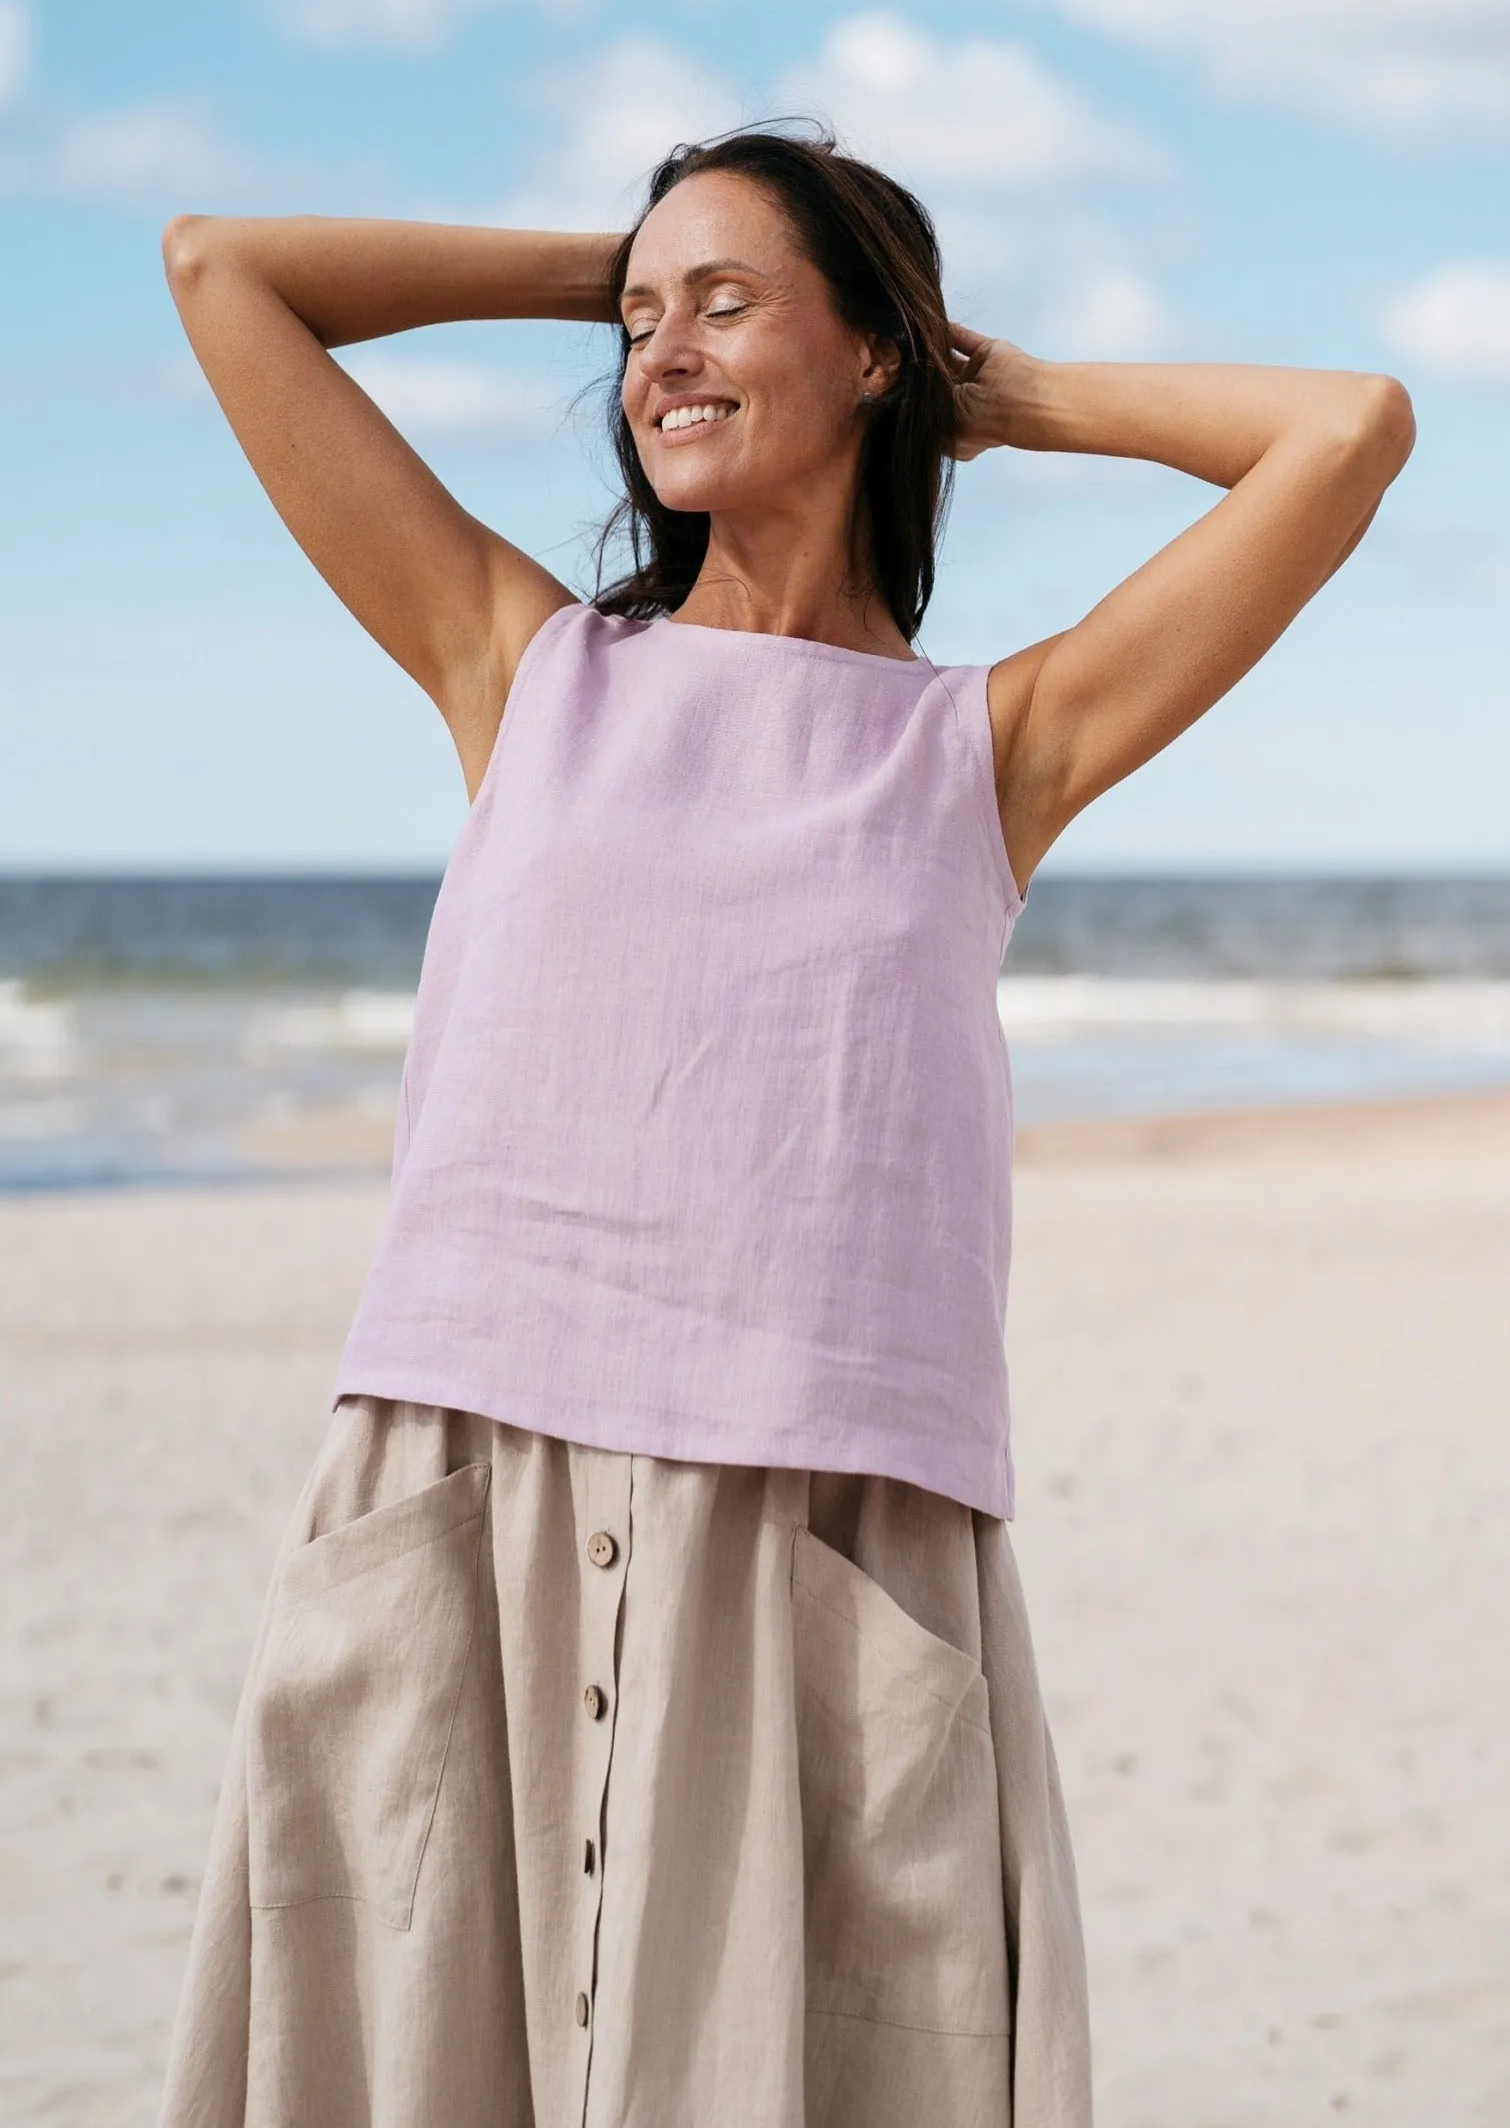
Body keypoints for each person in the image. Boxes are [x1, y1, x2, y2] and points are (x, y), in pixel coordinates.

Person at [155, 127, 1413, 2128]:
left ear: (872, 357)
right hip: (463, 1477)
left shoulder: (988, 746)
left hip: (820, 1517)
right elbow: (226, 270)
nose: (660, 355)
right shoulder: (518, 659)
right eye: (637, 327)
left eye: (724, 303)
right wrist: (622, 271)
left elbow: (1343, 431)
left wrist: (986, 382)